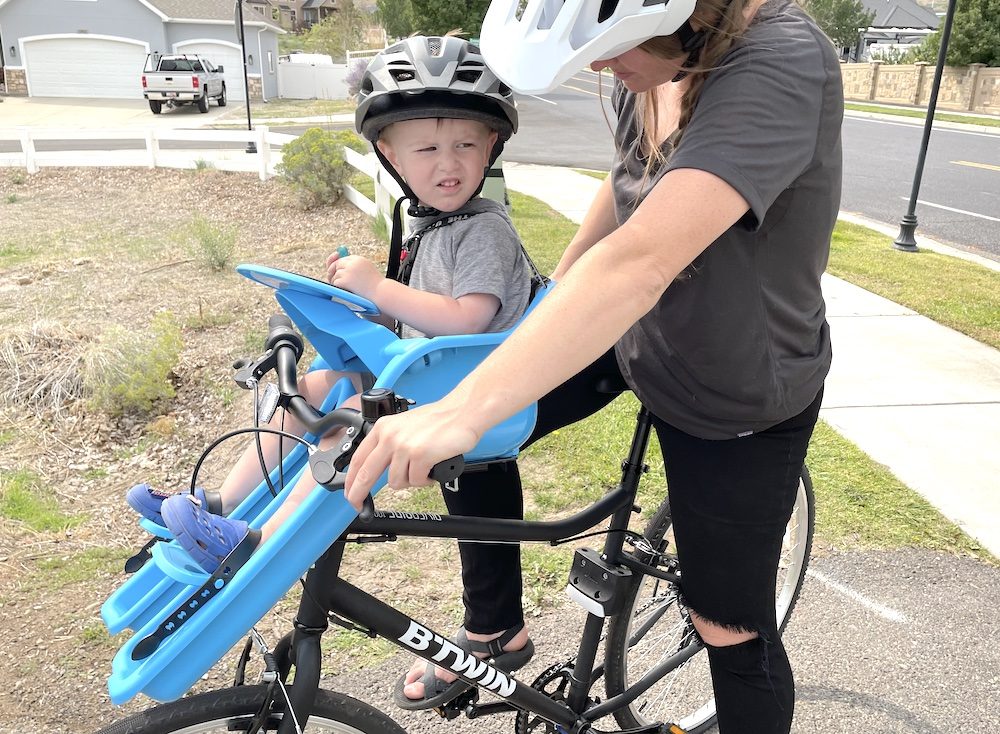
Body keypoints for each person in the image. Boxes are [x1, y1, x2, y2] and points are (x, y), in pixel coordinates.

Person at [343, 0, 843, 731]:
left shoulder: (778, 60)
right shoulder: (653, 55)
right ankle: (494, 628)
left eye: (609, 50)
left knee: (728, 626)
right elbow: (628, 180)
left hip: (734, 386)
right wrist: (553, 294)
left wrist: (465, 407)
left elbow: (643, 261)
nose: (602, 69)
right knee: (481, 435)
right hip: (637, 333)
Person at [125, 35, 537, 601]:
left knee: (347, 412)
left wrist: (380, 287)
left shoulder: (484, 230)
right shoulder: (433, 224)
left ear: (490, 145)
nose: (448, 164)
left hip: (473, 385)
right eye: (426, 151)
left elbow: (468, 319)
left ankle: (260, 538)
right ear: (391, 155)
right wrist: (362, 302)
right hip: (425, 371)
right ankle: (222, 502)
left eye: (465, 144)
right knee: (313, 384)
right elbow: (417, 316)